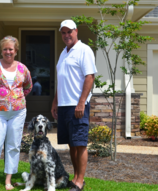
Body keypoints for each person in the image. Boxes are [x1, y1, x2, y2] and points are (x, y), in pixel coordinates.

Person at [0, 36, 32, 190]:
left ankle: (8, 179)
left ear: (16, 51)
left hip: (18, 112)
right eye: (5, 49)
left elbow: (28, 86)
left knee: (13, 145)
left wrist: (16, 99)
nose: (8, 52)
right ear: (1, 50)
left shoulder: (22, 68)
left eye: (11, 49)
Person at [51, 19, 97, 191]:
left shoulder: (84, 50)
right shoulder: (64, 52)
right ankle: (76, 177)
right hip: (64, 105)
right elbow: (61, 80)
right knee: (71, 143)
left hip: (77, 105)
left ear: (76, 31)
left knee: (80, 143)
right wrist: (55, 102)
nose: (66, 35)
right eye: (63, 32)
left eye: (69, 31)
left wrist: (81, 103)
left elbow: (89, 77)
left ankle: (80, 181)